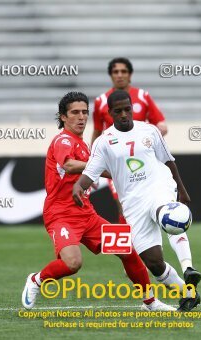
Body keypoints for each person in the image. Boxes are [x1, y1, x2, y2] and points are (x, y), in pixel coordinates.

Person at [21, 92, 174, 311]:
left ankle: (150, 302)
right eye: (75, 112)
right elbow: (70, 165)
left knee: (128, 251)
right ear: (63, 117)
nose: (81, 117)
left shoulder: (85, 147)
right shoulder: (63, 140)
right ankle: (36, 280)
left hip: (86, 215)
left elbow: (104, 171)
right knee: (73, 263)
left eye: (84, 112)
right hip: (61, 215)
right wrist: (97, 168)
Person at [73, 90, 201, 311]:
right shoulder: (103, 142)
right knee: (154, 262)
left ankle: (188, 267)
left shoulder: (149, 130)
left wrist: (182, 189)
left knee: (169, 216)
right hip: (133, 203)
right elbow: (91, 173)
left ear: (132, 108)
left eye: (127, 109)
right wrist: (78, 186)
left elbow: (168, 161)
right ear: (110, 112)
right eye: (118, 111)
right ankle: (188, 294)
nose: (124, 114)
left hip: (158, 187)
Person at [92, 57, 200, 288]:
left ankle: (179, 265)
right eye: (115, 71)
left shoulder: (143, 97)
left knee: (165, 213)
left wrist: (152, 133)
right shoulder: (100, 101)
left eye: (123, 71)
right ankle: (131, 259)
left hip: (145, 165)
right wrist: (91, 160)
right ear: (110, 75)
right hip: (117, 163)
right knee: (124, 211)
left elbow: (162, 124)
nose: (119, 75)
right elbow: (96, 131)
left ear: (130, 75)